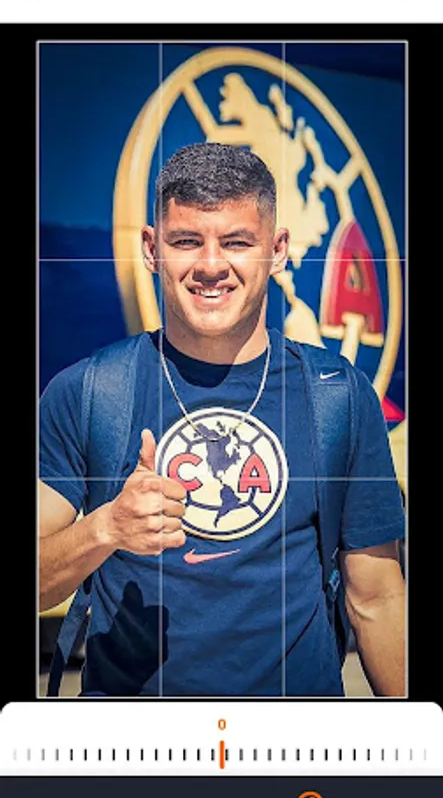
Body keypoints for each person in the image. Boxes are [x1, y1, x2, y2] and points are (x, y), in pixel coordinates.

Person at [39, 142, 405, 698]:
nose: (211, 266)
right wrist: (105, 529)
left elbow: (377, 598)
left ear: (277, 251)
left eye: (237, 242)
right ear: (152, 249)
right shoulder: (88, 391)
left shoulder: (339, 396)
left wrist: (418, 739)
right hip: (132, 744)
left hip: (298, 741)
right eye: (187, 241)